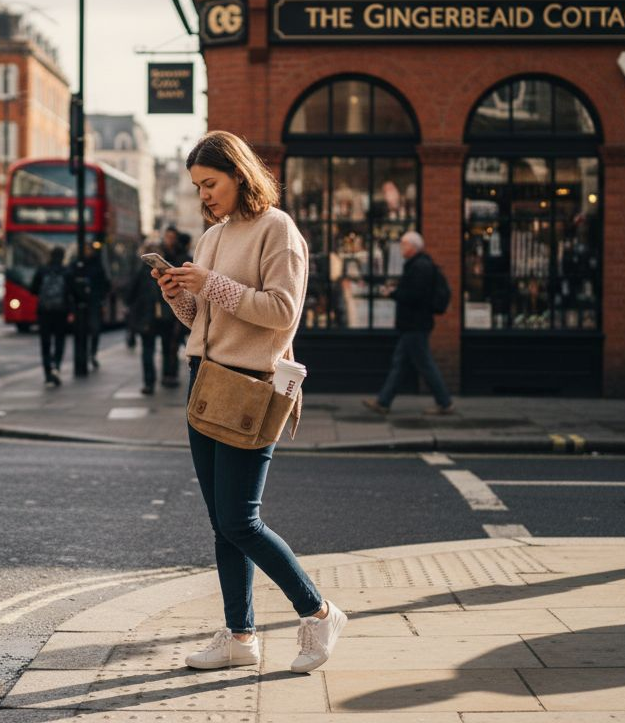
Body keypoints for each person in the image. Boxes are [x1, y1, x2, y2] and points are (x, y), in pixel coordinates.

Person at [157, 130, 346, 674]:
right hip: (205, 379)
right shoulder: (213, 236)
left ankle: (319, 611)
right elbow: (206, 320)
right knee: (222, 521)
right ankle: (240, 637)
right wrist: (180, 299)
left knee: (241, 519)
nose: (204, 197)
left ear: (240, 174)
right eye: (197, 187)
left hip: (252, 386)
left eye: (211, 184)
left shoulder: (277, 230)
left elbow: (281, 312)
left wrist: (210, 285)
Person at [362, 231, 454, 416]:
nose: (401, 248)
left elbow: (415, 296)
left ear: (413, 246)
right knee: (400, 364)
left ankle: (444, 402)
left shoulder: (419, 267)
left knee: (424, 364)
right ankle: (384, 402)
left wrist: (393, 293)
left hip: (416, 325)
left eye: (404, 244)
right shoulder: (418, 265)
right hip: (413, 324)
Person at [126, 245, 173, 395]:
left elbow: (129, 294)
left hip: (151, 317)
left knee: (150, 350)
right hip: (160, 316)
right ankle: (163, 377)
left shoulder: (140, 271)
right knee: (158, 349)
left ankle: (150, 382)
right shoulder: (167, 269)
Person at [30, 247, 74, 387]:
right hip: (61, 311)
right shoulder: (67, 271)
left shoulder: (42, 270)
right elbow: (71, 293)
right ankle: (56, 367)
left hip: (44, 311)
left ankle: (48, 373)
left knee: (45, 342)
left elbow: (33, 289)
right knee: (60, 340)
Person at [158, 226, 191, 387]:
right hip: (163, 306)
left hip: (179, 307)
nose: (169, 240)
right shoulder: (161, 253)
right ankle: (166, 373)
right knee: (165, 344)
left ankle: (172, 374)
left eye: (172, 237)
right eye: (167, 236)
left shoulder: (183, 257)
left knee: (174, 344)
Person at [73, 247, 109, 370]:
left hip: (94, 302)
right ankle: (83, 355)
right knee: (81, 330)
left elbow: (104, 284)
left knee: (94, 330)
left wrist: (101, 301)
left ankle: (92, 353)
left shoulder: (97, 266)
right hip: (80, 303)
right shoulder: (77, 264)